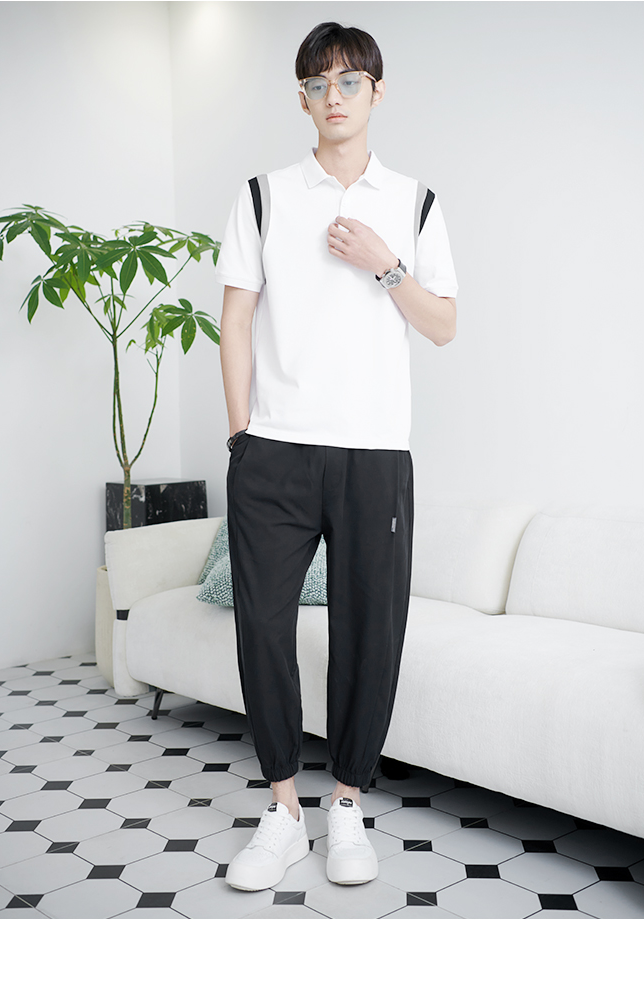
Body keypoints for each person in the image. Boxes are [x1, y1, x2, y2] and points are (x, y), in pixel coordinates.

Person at [216, 21, 458, 891]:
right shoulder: (263, 196)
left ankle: (346, 802)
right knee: (262, 629)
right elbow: (235, 319)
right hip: (274, 451)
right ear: (303, 99)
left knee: (369, 634)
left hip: (373, 455)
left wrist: (386, 264)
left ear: (376, 93)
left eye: (349, 81)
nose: (333, 97)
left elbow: (443, 325)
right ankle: (283, 809)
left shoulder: (415, 202)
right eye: (317, 84)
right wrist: (241, 437)